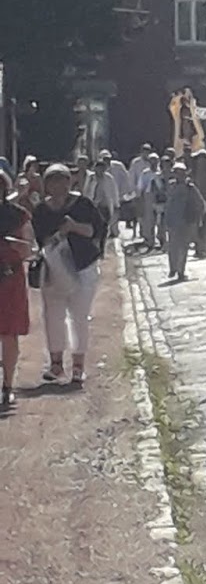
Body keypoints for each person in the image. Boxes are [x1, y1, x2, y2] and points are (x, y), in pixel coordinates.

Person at [31, 163, 104, 386]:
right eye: (52, 181)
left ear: (69, 181)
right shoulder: (41, 210)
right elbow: (40, 239)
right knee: (53, 316)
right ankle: (56, 365)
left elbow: (94, 231)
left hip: (83, 267)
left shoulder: (83, 204)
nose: (58, 185)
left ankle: (78, 366)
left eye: (62, 180)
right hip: (54, 269)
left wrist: (73, 226)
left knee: (79, 317)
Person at [0, 171, 34, 411]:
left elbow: (29, 249)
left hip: (9, 278)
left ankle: (7, 386)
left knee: (9, 334)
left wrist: (13, 244)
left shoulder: (18, 215)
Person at [163, 161, 206, 281]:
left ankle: (180, 271)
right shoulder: (171, 186)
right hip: (173, 222)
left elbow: (201, 204)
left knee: (183, 247)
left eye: (181, 173)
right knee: (173, 247)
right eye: (176, 173)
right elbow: (168, 204)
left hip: (185, 222)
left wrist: (197, 219)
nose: (179, 175)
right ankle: (173, 268)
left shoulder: (190, 188)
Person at [85, 153, 121, 251]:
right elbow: (86, 191)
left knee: (104, 227)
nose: (100, 170)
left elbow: (114, 191)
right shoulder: (91, 178)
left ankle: (102, 247)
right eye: (98, 168)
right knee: (95, 227)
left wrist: (116, 204)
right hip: (94, 206)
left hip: (105, 206)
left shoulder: (109, 178)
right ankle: (94, 247)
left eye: (102, 168)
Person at [138, 153, 168, 249]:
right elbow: (141, 188)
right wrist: (141, 201)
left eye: (155, 161)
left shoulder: (161, 173)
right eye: (151, 161)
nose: (153, 163)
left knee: (161, 221)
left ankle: (162, 239)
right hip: (148, 197)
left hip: (160, 198)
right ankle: (150, 241)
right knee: (149, 220)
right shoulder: (145, 173)